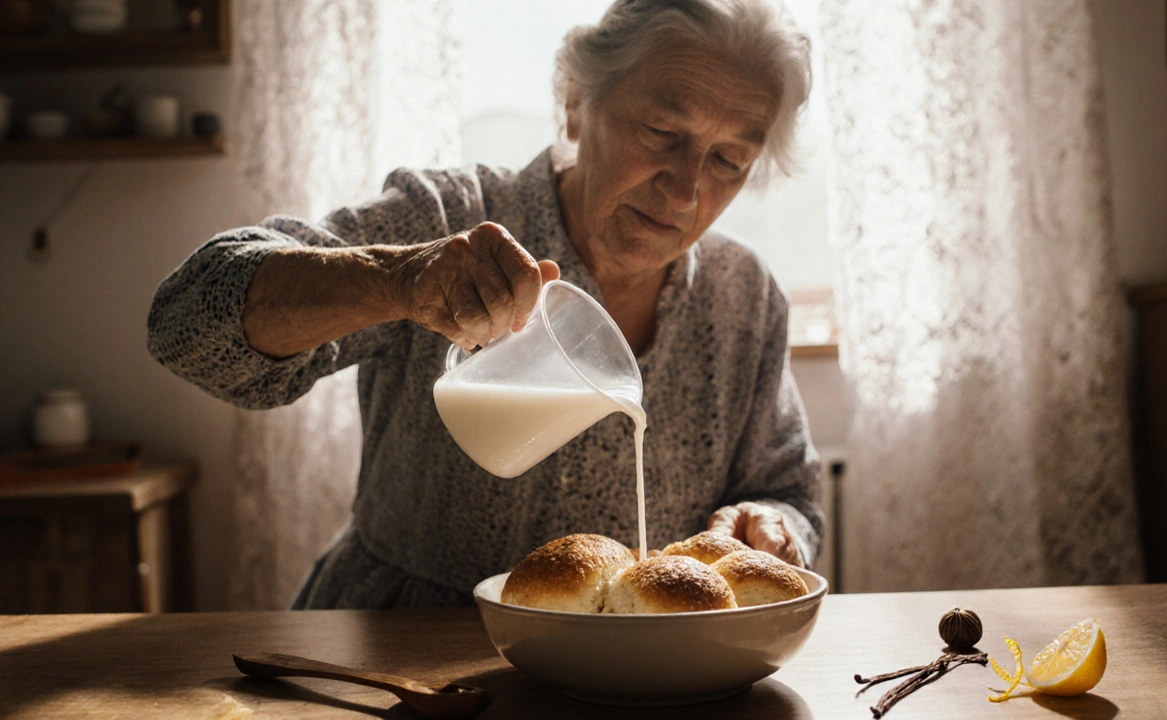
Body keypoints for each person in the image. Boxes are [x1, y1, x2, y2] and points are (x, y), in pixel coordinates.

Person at [148, 0, 823, 609]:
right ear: (575, 102)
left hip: (634, 667)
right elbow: (184, 324)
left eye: (728, 161)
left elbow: (787, 492)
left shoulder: (744, 295)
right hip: (402, 642)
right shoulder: (447, 220)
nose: (684, 192)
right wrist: (396, 278)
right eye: (661, 131)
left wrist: (773, 524)